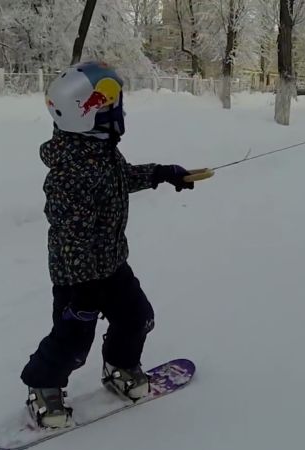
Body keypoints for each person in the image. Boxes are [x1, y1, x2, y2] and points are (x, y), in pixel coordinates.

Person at [20, 61, 196, 429]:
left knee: (137, 317)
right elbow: (71, 234)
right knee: (71, 340)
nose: (120, 110)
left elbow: (121, 177)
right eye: (110, 103)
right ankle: (43, 387)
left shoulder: (98, 151)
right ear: (84, 113)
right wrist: (84, 291)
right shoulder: (70, 171)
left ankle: (119, 365)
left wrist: (162, 173)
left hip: (113, 264)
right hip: (78, 279)